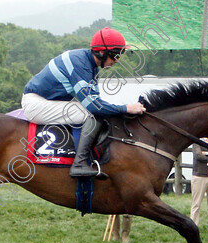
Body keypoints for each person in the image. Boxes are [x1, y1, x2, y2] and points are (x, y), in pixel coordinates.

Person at [22, 27, 146, 179]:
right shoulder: (80, 63)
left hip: (44, 101)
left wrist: (119, 109)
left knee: (95, 112)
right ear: (101, 52)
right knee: (91, 114)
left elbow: (97, 102)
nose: (117, 60)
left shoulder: (89, 65)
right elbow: (94, 107)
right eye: (116, 55)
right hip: (36, 104)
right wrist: (126, 108)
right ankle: (79, 164)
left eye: (121, 54)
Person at [190, 140, 208, 229]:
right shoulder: (197, 142)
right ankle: (193, 225)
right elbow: (198, 156)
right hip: (199, 176)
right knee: (196, 203)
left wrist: (206, 153)